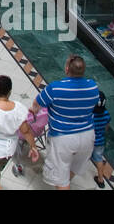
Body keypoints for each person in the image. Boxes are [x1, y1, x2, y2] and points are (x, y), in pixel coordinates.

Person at [34, 55, 102, 190]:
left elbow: (37, 105)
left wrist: (34, 114)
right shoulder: (93, 87)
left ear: (66, 69)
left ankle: (64, 184)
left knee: (61, 180)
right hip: (88, 136)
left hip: (63, 138)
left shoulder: (55, 88)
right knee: (75, 167)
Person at [92, 92, 112, 188]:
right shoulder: (106, 114)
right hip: (99, 141)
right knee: (99, 159)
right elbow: (106, 128)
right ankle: (100, 179)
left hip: (88, 141)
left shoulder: (90, 114)